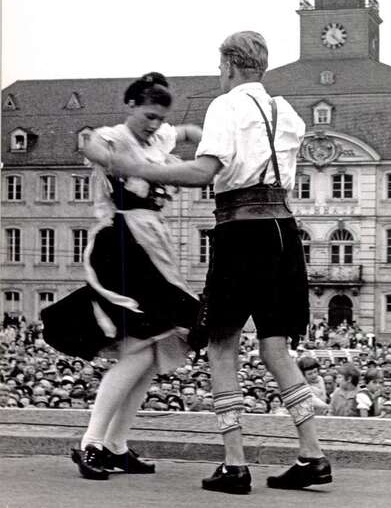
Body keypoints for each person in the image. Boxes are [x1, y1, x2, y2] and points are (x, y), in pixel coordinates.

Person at [110, 32, 332, 494]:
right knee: (276, 350)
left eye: (220, 66)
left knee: (221, 347)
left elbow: (204, 172)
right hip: (283, 231)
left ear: (230, 65)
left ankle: (235, 465)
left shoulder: (226, 106)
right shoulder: (285, 112)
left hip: (241, 231)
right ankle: (312, 455)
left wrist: (143, 170)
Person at [44, 72, 201, 480]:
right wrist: (115, 160)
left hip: (153, 245)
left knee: (150, 355)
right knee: (137, 350)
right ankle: (92, 444)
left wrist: (201, 133)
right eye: (148, 116)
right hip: (124, 246)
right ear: (130, 106)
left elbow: (182, 130)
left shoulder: (157, 136)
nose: (153, 124)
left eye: (158, 118)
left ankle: (115, 445)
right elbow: (90, 144)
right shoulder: (114, 135)